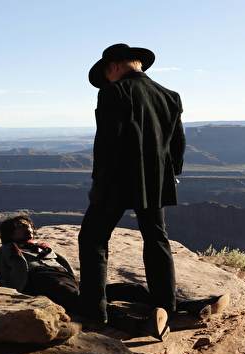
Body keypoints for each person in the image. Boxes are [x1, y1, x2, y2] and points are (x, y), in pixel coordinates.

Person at [0, 215, 230, 340]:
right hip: (42, 283)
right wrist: (5, 289)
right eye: (22, 227)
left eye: (29, 226)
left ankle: (193, 306)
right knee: (89, 304)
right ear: (11, 234)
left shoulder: (44, 247)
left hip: (65, 280)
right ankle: (140, 325)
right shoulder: (2, 252)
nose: (29, 229)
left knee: (129, 288)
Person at [79, 43, 186, 328]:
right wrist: (171, 175)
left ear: (113, 66)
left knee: (93, 240)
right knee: (156, 239)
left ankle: (93, 311)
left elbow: (107, 143)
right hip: (155, 182)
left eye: (106, 74)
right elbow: (177, 144)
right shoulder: (169, 95)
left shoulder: (113, 92)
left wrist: (99, 182)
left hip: (117, 181)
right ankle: (167, 305)